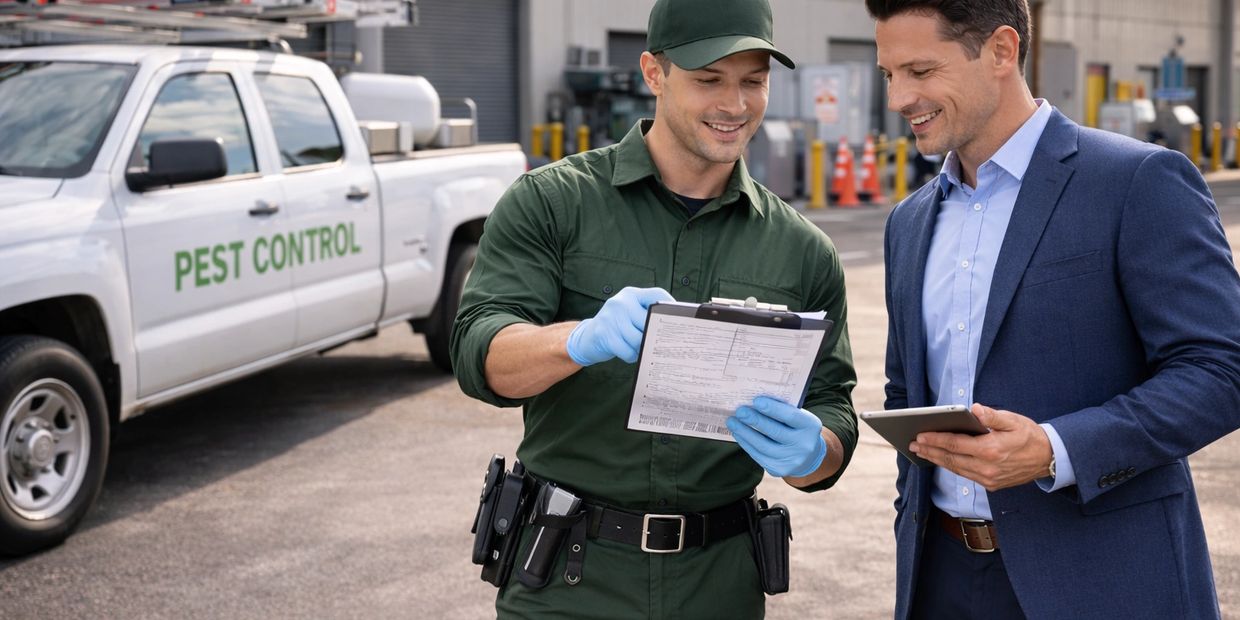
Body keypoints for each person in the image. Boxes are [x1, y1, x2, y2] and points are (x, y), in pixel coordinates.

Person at [451, 0, 857, 616]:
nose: (735, 104)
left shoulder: (804, 252)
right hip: (567, 579)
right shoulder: (553, 204)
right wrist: (579, 340)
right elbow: (479, 353)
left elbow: (832, 408)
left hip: (720, 584)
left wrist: (815, 453)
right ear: (654, 73)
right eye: (709, 79)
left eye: (753, 81)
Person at [868, 0, 1240, 618]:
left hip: (1103, 580)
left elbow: (1221, 369)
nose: (899, 98)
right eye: (889, 74)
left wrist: (1055, 448)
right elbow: (907, 392)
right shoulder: (908, 222)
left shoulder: (1136, 181)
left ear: (1001, 50)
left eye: (921, 71)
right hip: (940, 576)